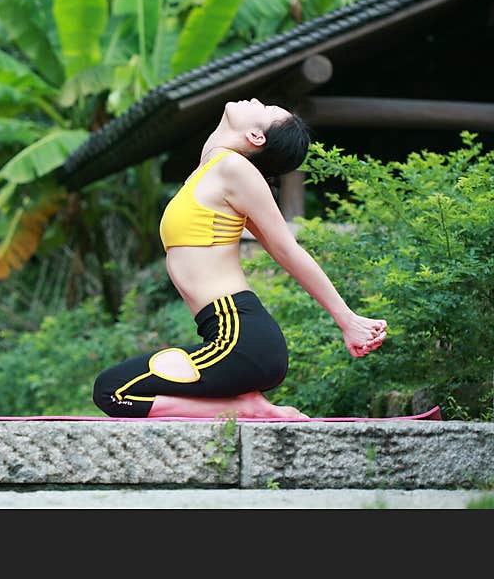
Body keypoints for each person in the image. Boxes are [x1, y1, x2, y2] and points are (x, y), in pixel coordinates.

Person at [92, 98, 387, 419]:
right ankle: (245, 405)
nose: (257, 101)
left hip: (238, 336)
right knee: (115, 391)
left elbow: (286, 250)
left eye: (267, 110)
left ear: (257, 138)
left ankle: (246, 408)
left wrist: (349, 320)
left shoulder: (235, 170)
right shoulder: (211, 171)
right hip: (232, 336)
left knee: (114, 391)